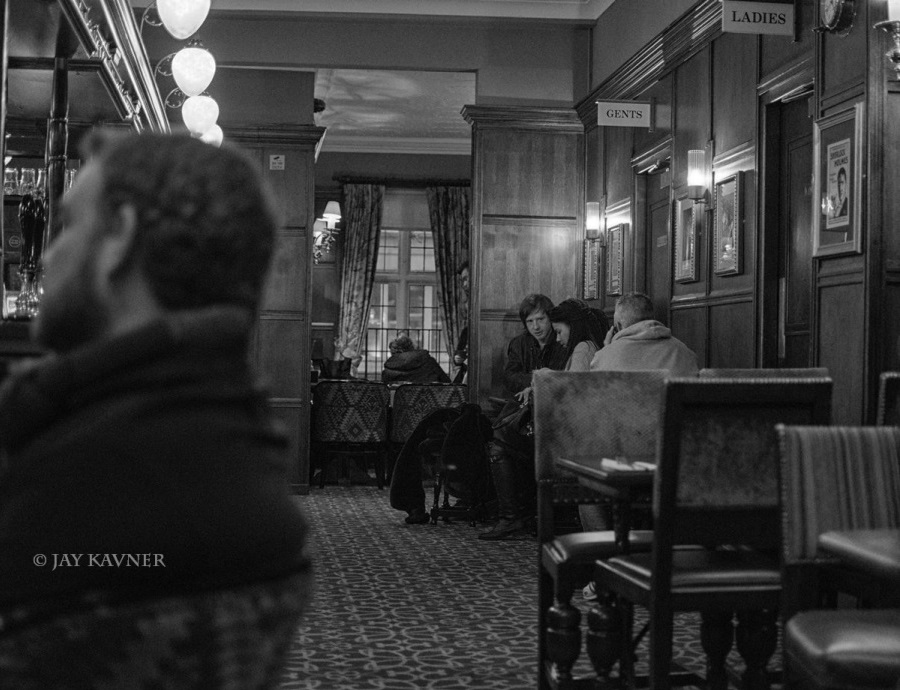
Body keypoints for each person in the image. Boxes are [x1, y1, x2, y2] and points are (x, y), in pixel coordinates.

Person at [0, 131, 310, 613]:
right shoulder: (218, 426)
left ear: (118, 238)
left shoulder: (94, 477)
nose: (46, 255)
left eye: (68, 224)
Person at [581, 290, 698, 588]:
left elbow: (592, 410)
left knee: (586, 488)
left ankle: (606, 568)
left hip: (622, 462)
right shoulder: (684, 353)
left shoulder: (606, 356)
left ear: (617, 325)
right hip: (676, 464)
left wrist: (607, 350)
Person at [478, 294, 575, 541]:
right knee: (497, 444)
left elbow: (564, 379)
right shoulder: (520, 344)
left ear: (550, 319)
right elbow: (510, 378)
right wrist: (537, 379)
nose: (536, 326)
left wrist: (537, 381)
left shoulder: (565, 341)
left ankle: (513, 517)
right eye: (530, 321)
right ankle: (512, 516)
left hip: (555, 415)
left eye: (541, 319)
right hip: (523, 410)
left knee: (500, 443)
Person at [589, 292, 699, 376]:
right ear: (652, 320)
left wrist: (608, 350)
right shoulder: (683, 351)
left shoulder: (603, 357)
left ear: (618, 326)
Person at [381, 334, 450, 384]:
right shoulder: (429, 361)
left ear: (393, 353)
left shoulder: (388, 370)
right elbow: (447, 382)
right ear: (411, 347)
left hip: (401, 402)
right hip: (431, 401)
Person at [452, 261, 469, 383]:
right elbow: (458, 353)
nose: (464, 284)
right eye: (462, 280)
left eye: (466, 279)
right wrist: (457, 358)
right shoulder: (466, 331)